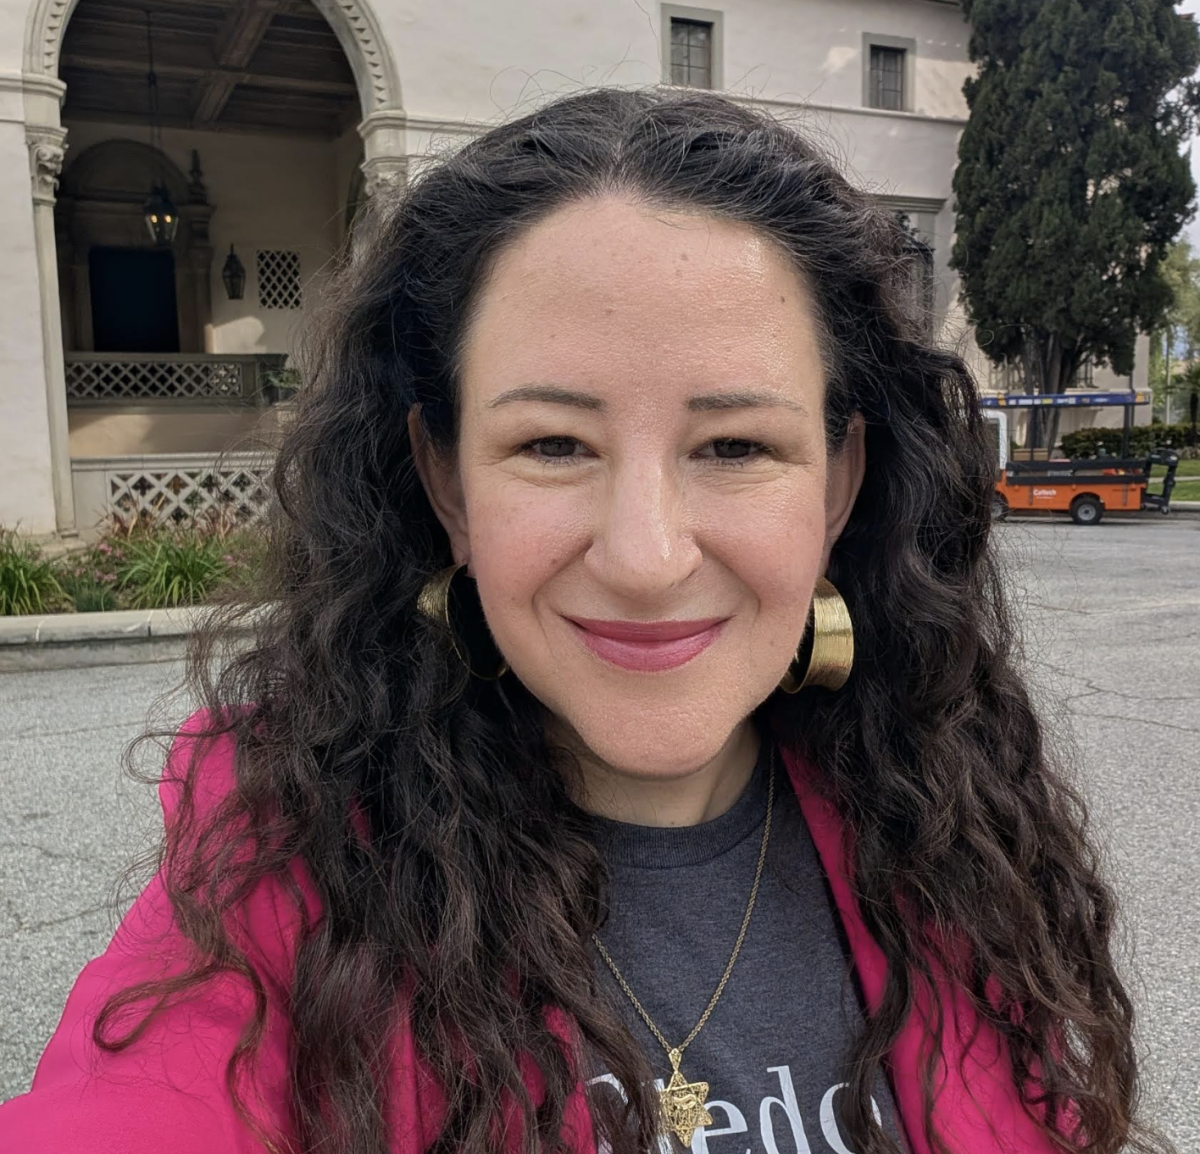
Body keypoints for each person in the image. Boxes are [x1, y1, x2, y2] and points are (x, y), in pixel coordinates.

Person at [0, 87, 1172, 1154]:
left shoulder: (950, 833)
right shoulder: (283, 870)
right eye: (553, 444)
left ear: (840, 482)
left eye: (736, 445)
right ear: (448, 481)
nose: (649, 558)